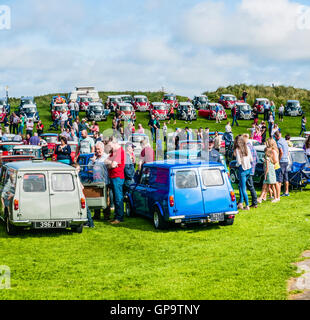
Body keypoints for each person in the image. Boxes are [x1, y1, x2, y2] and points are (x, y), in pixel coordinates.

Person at [105, 137, 126, 225]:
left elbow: (112, 165)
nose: (109, 147)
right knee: (115, 197)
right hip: (113, 176)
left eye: (110, 145)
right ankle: (116, 216)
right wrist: (111, 163)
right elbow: (106, 162)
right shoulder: (114, 152)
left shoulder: (120, 152)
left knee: (118, 198)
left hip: (117, 177)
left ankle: (119, 217)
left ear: (114, 143)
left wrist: (110, 163)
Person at [90, 141, 110, 220]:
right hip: (96, 181)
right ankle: (96, 215)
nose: (97, 151)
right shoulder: (95, 158)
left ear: (102, 148)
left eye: (98, 149)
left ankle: (106, 215)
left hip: (104, 182)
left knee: (106, 199)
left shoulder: (106, 157)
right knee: (96, 198)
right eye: (96, 149)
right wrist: (93, 160)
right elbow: (88, 167)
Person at [72, 163, 94, 228]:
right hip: (79, 194)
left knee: (86, 209)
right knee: (85, 209)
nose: (79, 171)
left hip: (79, 194)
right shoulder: (76, 176)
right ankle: (89, 223)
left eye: (79, 169)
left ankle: (90, 223)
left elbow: (81, 186)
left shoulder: (76, 176)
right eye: (78, 169)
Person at [233, 135, 253, 211]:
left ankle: (247, 205)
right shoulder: (247, 148)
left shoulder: (238, 150)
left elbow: (238, 161)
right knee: (241, 186)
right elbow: (251, 159)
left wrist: (236, 165)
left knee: (243, 188)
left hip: (243, 170)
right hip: (249, 169)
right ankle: (241, 203)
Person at [243, 134, 258, 208]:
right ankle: (253, 202)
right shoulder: (253, 147)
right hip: (252, 169)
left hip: (247, 169)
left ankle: (254, 202)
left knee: (250, 186)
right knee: (249, 185)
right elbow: (257, 159)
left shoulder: (246, 148)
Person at [274, 131, 290, 197]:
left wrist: (278, 159)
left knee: (279, 177)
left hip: (282, 161)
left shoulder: (278, 142)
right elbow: (288, 151)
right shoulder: (284, 140)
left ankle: (278, 193)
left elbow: (281, 151)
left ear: (276, 136)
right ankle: (286, 192)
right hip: (286, 160)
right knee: (286, 177)